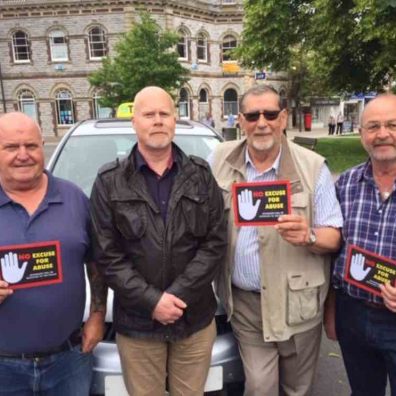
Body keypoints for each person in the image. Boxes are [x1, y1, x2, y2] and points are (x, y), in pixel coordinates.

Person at [90, 86, 227, 396]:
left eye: (164, 114)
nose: (158, 121)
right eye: (148, 114)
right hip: (138, 326)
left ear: (174, 120)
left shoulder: (201, 174)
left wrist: (176, 296)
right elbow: (106, 254)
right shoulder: (109, 181)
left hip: (194, 320)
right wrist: (152, 301)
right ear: (134, 122)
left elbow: (215, 242)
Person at [210, 85, 342, 396]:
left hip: (297, 304)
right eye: (253, 115)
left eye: (270, 114)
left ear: (283, 118)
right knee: (259, 387)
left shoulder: (313, 167)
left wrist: (308, 235)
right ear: (240, 120)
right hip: (245, 305)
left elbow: (334, 237)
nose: (262, 123)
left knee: (297, 389)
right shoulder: (218, 160)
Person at [0, 112, 107, 395]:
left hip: (69, 360)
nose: (23, 155)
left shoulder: (74, 199)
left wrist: (97, 315)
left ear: (42, 146)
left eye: (31, 146)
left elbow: (96, 262)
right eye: (11, 147)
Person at [326, 94, 396, 396]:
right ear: (361, 134)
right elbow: (333, 252)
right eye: (373, 126)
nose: (382, 134)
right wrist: (332, 311)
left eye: (393, 125)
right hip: (352, 314)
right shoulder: (345, 184)